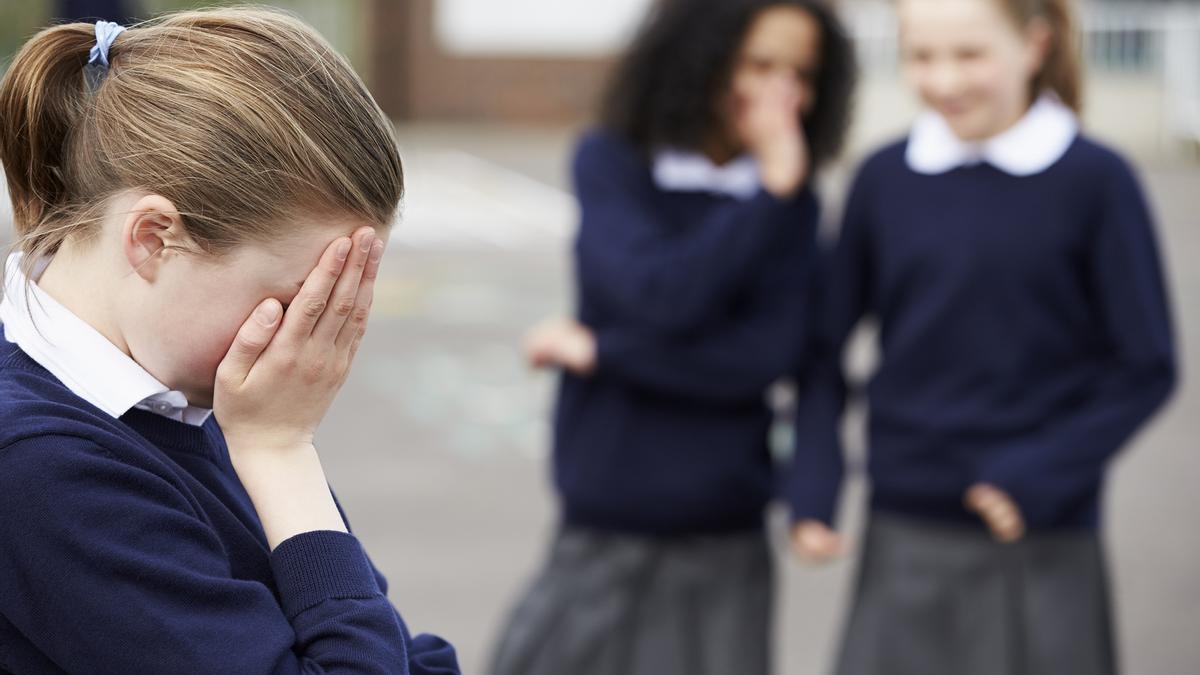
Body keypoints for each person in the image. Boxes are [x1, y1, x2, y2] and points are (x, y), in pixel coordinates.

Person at [0, 10, 459, 673]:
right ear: (154, 238)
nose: (314, 340)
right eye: (297, 299)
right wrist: (281, 453)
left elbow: (386, 647)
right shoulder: (40, 467)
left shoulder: (177, 395)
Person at [789, 1, 1177, 673]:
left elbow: (1146, 365)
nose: (943, 81)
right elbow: (821, 349)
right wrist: (814, 485)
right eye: (921, 56)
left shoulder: (1096, 180)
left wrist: (1039, 474)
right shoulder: (883, 178)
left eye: (970, 55)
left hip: (1041, 535)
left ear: (1034, 44)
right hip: (903, 528)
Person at [489, 1, 855, 673]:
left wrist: (606, 351)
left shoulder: (795, 205)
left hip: (724, 529)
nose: (782, 93)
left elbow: (762, 358)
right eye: (760, 64)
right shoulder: (614, 162)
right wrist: (768, 193)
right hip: (605, 517)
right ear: (698, 56)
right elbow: (661, 297)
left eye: (800, 73)